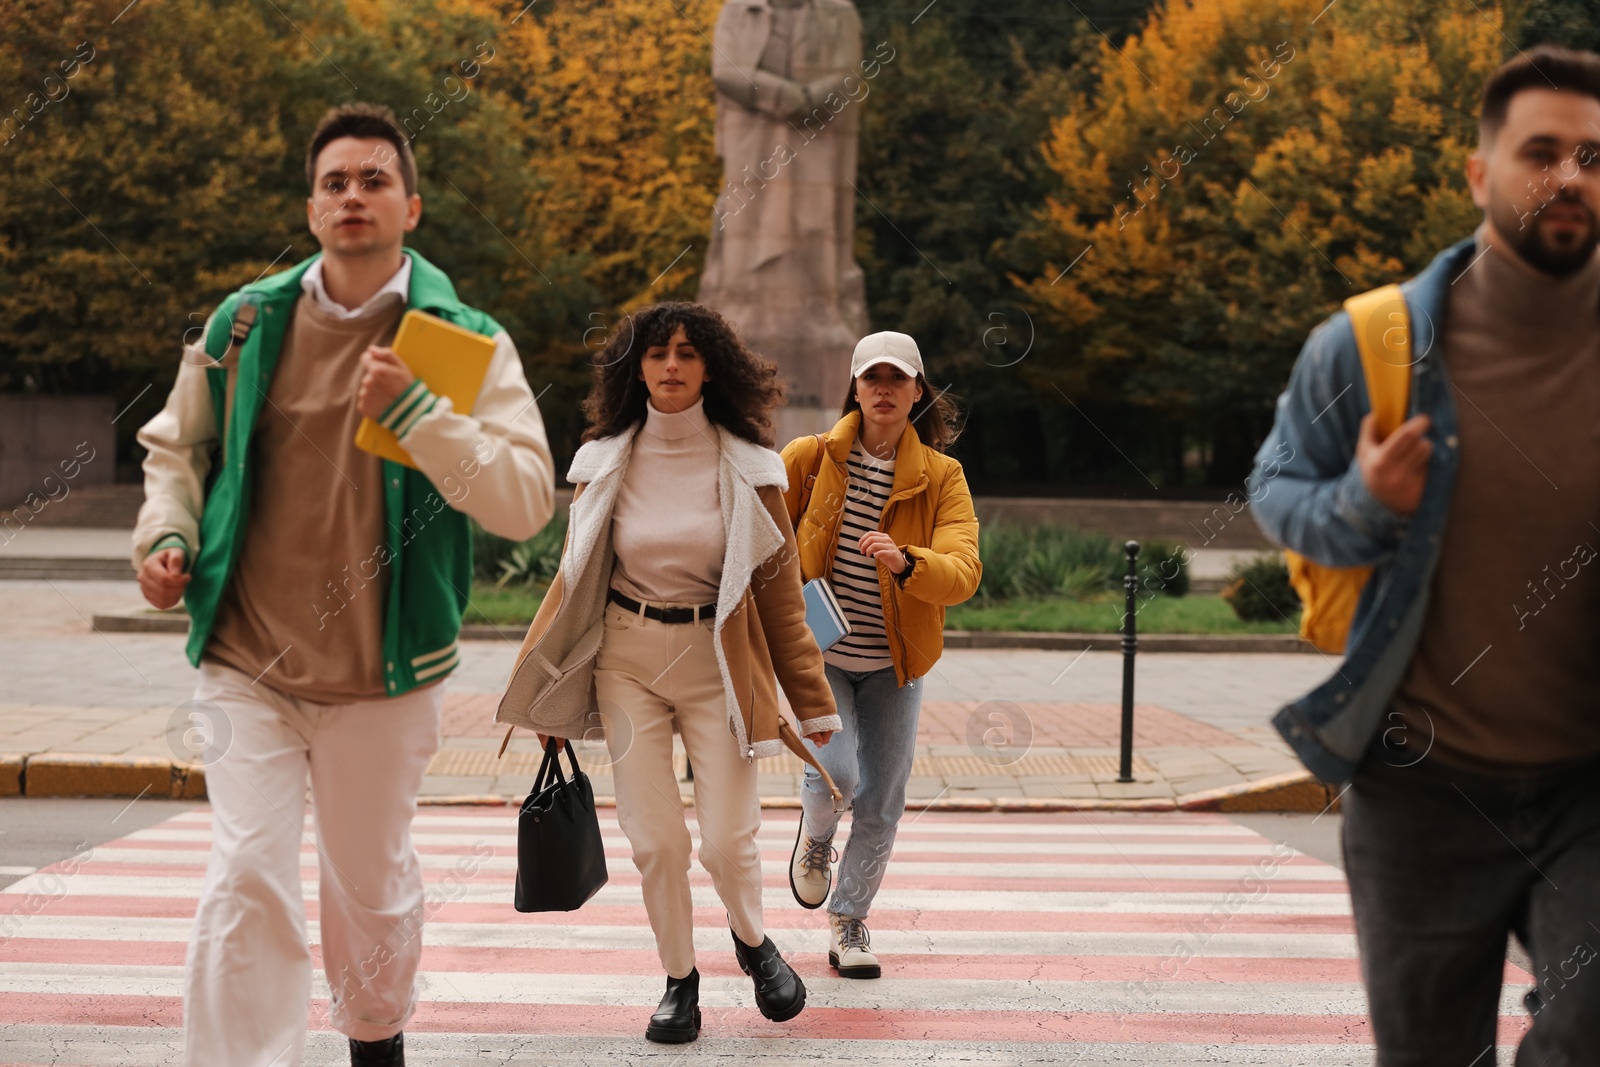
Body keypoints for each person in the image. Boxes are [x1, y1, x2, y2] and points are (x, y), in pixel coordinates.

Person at [133, 103, 555, 1067]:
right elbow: (177, 447)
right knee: (245, 875)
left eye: (373, 180)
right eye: (335, 182)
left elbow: (526, 501)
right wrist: (167, 533)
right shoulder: (247, 321)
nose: (353, 195)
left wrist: (416, 411)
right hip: (248, 660)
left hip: (385, 671)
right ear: (312, 207)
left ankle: (375, 1041)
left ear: (411, 205)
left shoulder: (463, 338)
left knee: (368, 886)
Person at [1250, 45, 1600, 1066]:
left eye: (1592, 155)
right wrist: (1361, 503)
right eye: (1541, 152)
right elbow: (1274, 490)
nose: (1569, 176)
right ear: (1477, 173)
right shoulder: (1372, 343)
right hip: (1418, 787)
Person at [495, 302, 844, 1044]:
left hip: (717, 663)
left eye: (687, 352)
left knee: (725, 840)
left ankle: (753, 942)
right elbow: (571, 583)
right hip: (627, 660)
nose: (672, 366)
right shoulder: (603, 461)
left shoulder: (753, 468)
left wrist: (811, 702)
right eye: (657, 354)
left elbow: (783, 601)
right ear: (638, 367)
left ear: (712, 365)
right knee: (654, 839)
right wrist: (546, 694)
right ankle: (679, 980)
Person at [778, 330, 980, 979]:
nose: (885, 388)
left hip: (897, 665)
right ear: (856, 387)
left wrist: (907, 560)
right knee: (839, 773)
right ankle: (814, 841)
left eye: (898, 378)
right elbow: (758, 536)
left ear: (919, 390)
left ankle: (849, 920)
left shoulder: (941, 477)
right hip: (822, 653)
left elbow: (963, 569)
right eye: (873, 377)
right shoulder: (810, 459)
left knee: (883, 798)